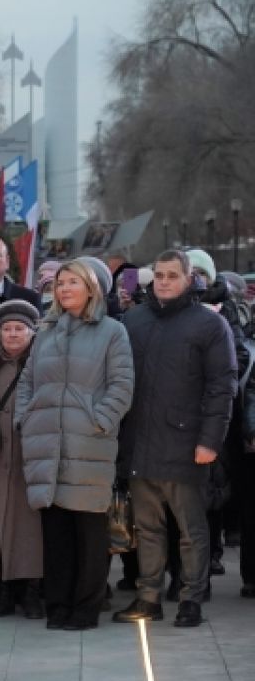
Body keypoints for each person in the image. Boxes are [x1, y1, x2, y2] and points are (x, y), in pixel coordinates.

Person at [113, 250, 235, 628]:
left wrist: (210, 441)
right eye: (159, 275)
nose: (164, 282)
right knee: (147, 528)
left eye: (172, 275)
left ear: (188, 279)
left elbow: (222, 386)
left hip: (186, 445)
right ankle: (148, 596)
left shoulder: (209, 325)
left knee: (190, 529)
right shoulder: (133, 321)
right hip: (140, 443)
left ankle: (190, 598)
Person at [15, 259, 134, 631]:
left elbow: (122, 386)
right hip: (46, 442)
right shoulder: (45, 331)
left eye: (72, 282)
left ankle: (85, 608)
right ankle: (58, 606)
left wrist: (98, 420)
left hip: (89, 444)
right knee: (56, 533)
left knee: (89, 534)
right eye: (60, 283)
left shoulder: (112, 331)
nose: (64, 289)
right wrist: (25, 419)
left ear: (92, 288)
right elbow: (26, 383)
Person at [0, 300, 44, 619]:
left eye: (21, 329)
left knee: (29, 527)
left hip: (30, 456)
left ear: (34, 333)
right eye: (7, 329)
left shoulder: (42, 365)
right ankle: (2, 589)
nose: (14, 335)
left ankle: (30, 589)